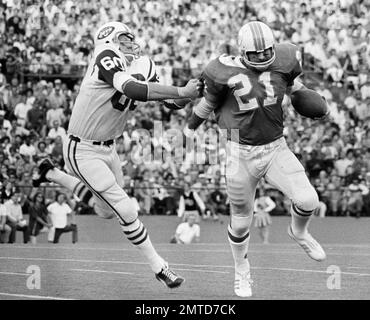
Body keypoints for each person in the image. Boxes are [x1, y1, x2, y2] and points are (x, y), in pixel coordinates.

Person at [33, 21, 201, 289]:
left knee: (106, 211)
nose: (130, 43)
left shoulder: (143, 63)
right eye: (123, 39)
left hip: (109, 148)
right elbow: (133, 89)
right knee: (126, 208)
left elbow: (169, 103)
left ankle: (51, 173)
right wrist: (182, 91)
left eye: (130, 39)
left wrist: (191, 93)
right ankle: (160, 267)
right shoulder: (105, 56)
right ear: (109, 40)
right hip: (82, 148)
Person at [184, 21, 327, 297]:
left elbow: (292, 83)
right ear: (242, 51)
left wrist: (304, 96)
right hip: (239, 154)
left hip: (275, 147)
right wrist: (190, 127)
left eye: (266, 52)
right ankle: (242, 271)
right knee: (240, 221)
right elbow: (209, 103)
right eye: (256, 54)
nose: (262, 57)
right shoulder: (219, 70)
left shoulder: (286, 57)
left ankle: (299, 232)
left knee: (309, 199)